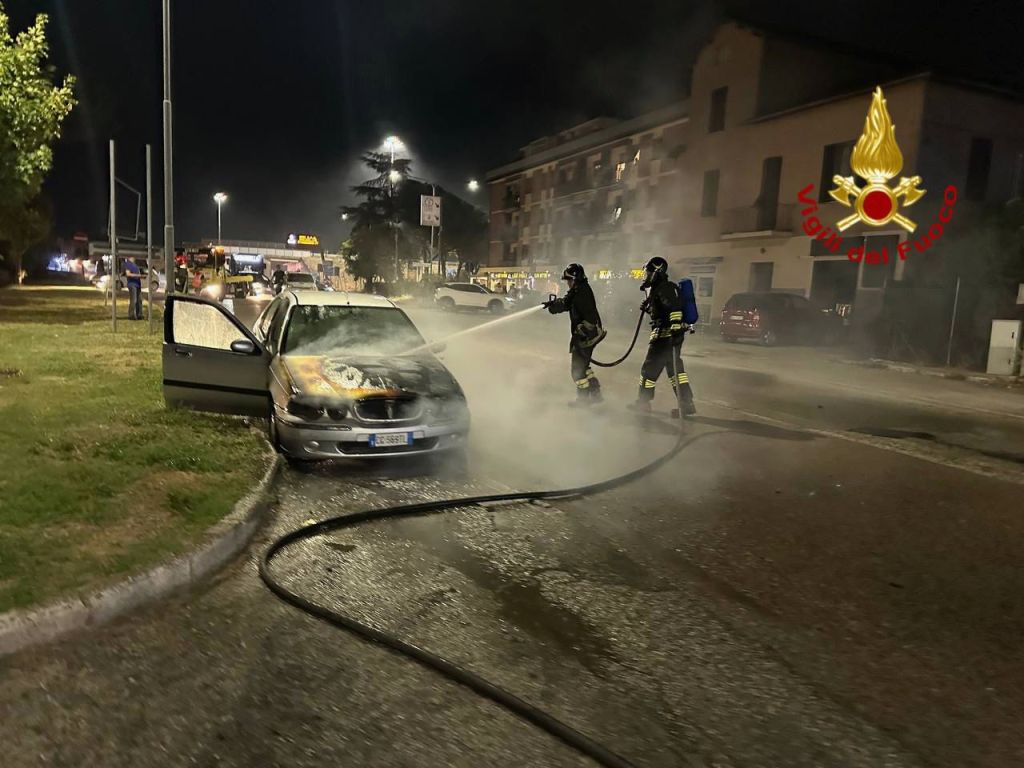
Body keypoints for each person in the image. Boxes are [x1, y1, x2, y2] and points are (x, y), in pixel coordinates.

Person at [629, 256, 696, 416]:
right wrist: (650, 308)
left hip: (665, 338)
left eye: (648, 272)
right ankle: (687, 404)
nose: (645, 275)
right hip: (671, 337)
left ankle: (643, 402)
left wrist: (673, 330)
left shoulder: (664, 288)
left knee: (648, 371)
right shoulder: (662, 288)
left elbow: (674, 310)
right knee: (676, 373)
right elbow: (664, 310)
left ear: (656, 272)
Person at [545, 263, 607, 406]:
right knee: (584, 366)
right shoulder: (579, 289)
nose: (567, 283)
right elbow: (567, 303)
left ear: (574, 279)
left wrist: (582, 333)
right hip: (587, 336)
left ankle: (583, 399)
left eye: (569, 280)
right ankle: (596, 393)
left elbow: (590, 317)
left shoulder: (581, 292)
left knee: (577, 371)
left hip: (585, 338)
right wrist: (553, 305)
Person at [123, 255, 143, 320]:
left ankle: (139, 314)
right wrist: (138, 275)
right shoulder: (128, 264)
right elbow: (128, 274)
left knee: (139, 300)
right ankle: (131, 315)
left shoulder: (135, 264)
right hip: (132, 284)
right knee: (133, 300)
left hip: (137, 284)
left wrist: (141, 275)